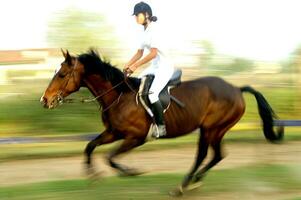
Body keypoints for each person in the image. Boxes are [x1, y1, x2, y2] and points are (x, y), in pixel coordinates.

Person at [123, 1, 174, 138]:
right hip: (154, 67)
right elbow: (139, 53)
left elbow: (153, 53)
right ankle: (146, 119)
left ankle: (161, 126)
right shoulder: (143, 32)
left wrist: (135, 66)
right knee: (139, 88)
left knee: (152, 94)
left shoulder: (155, 30)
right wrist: (127, 65)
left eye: (137, 15)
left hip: (164, 67)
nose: (135, 18)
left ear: (146, 15)